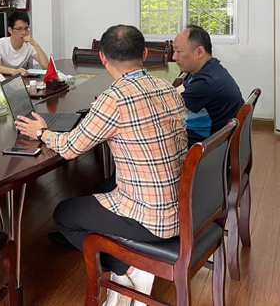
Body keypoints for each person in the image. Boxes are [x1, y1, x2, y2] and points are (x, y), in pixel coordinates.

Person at [15, 25, 188, 306]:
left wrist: (41, 132)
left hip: (150, 219)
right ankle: (128, 264)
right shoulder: (168, 89)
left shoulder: (113, 100)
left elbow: (69, 149)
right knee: (101, 188)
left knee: (63, 214)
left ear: (103, 58)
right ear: (145, 54)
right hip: (183, 208)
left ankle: (128, 268)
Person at [172, 25, 244, 147]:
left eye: (178, 52)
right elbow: (182, 90)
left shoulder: (205, 83)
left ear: (199, 52)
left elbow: (168, 112)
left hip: (205, 146)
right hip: (217, 139)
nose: (174, 57)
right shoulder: (211, 68)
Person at [0, 10, 49, 77]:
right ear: (10, 30)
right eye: (19, 29)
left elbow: (47, 66)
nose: (24, 32)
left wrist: (35, 44)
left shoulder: (29, 45)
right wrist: (14, 71)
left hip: (21, 80)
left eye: (26, 28)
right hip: (1, 80)